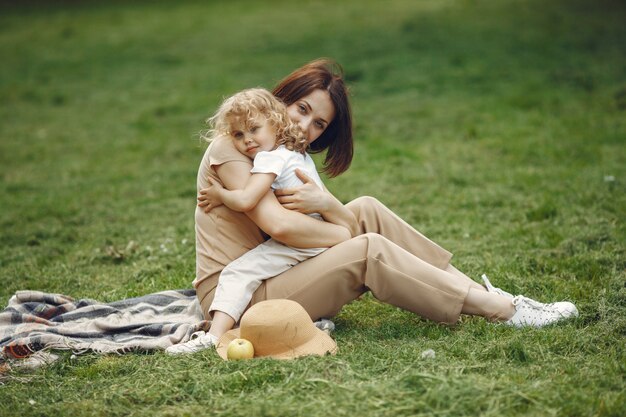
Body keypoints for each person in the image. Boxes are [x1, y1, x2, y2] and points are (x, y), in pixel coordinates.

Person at [167, 58, 578, 355]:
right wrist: (343, 234)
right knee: (367, 247)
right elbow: (283, 227)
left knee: (366, 207)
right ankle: (501, 311)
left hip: (275, 270)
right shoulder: (235, 143)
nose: (306, 129)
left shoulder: (279, 151)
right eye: (302, 109)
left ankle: (481, 292)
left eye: (319, 125)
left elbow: (331, 221)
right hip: (237, 295)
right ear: (282, 100)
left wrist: (327, 202)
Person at [166, 88, 346, 354]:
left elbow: (247, 199)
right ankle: (307, 321)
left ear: (275, 123)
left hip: (303, 241)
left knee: (238, 272)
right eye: (238, 135)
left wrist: (220, 194)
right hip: (314, 238)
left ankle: (213, 337)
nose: (247, 140)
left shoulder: (270, 158)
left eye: (254, 129)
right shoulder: (297, 153)